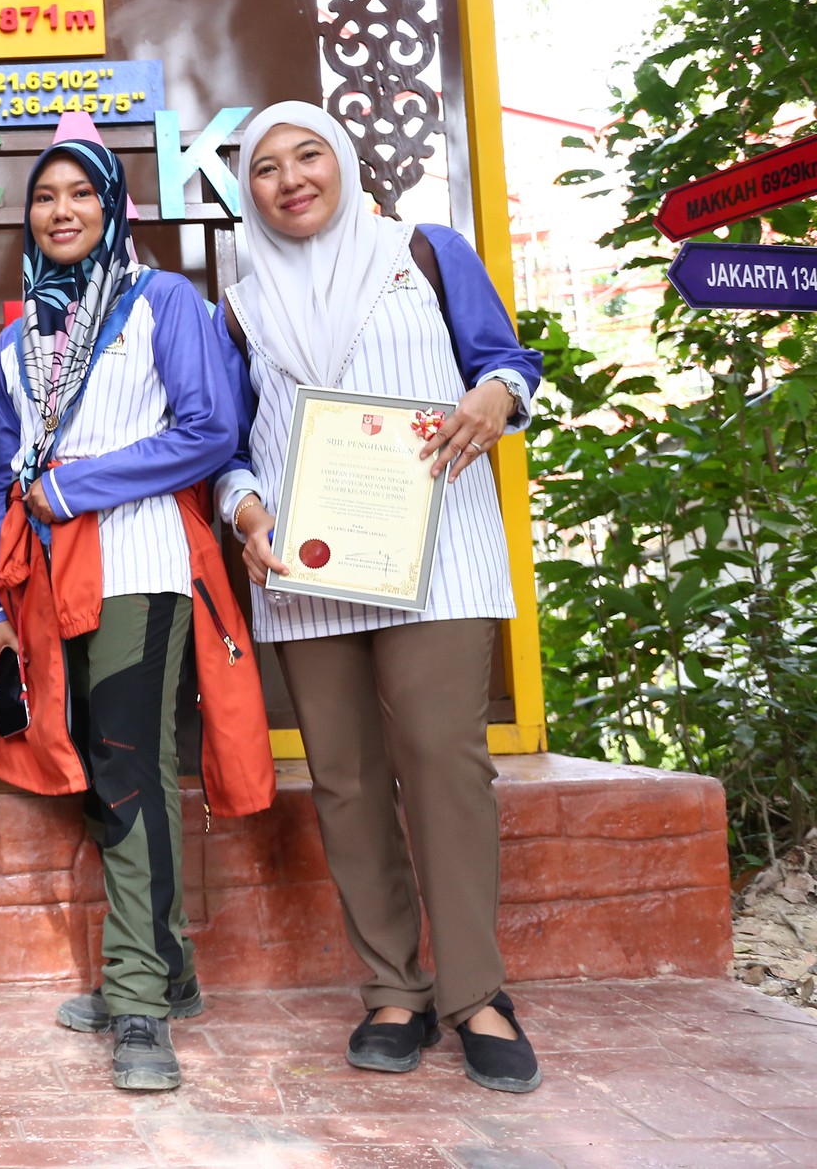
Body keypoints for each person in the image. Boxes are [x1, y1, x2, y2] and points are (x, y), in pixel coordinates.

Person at [215, 101, 544, 1094]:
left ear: (342, 162)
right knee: (348, 778)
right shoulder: (240, 300)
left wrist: (494, 396)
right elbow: (227, 446)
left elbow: (506, 364)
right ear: (248, 194)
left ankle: (475, 995)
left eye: (305, 154)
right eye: (264, 167)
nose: (287, 178)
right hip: (305, 568)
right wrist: (244, 514)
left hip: (434, 558)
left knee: (442, 763)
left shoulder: (424, 251)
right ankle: (392, 989)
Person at [0, 138, 238, 1092]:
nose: (60, 209)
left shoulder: (161, 301)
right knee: (100, 766)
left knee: (129, 764)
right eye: (44, 196)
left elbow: (210, 432)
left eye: (81, 192)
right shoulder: (18, 340)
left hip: (139, 561)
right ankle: (166, 967)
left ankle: (138, 1004)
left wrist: (82, 483)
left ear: (113, 204)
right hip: (45, 583)